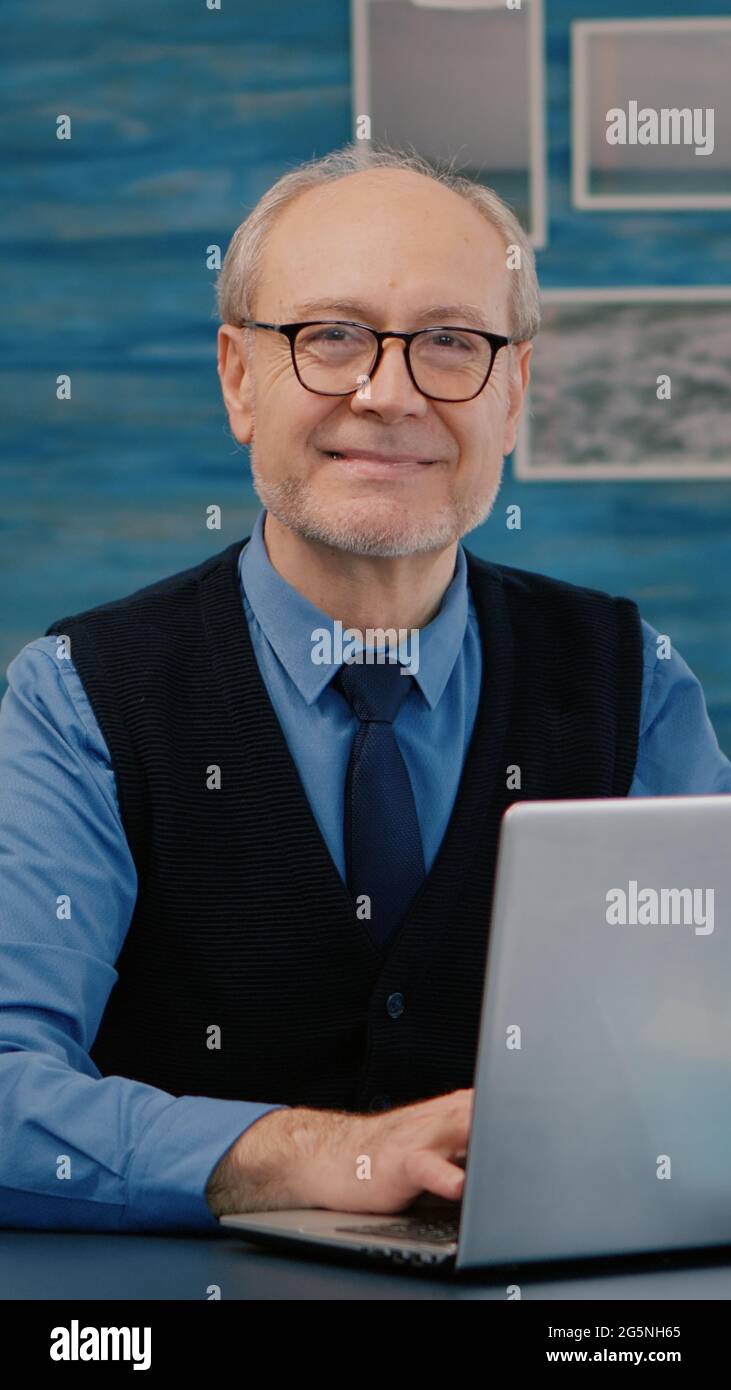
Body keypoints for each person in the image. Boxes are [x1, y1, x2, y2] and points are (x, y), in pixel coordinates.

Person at [1, 144, 730, 1233]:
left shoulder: (635, 683)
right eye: (329, 336)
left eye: (449, 343)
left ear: (513, 393)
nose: (387, 394)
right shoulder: (77, 699)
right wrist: (317, 1153)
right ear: (239, 377)